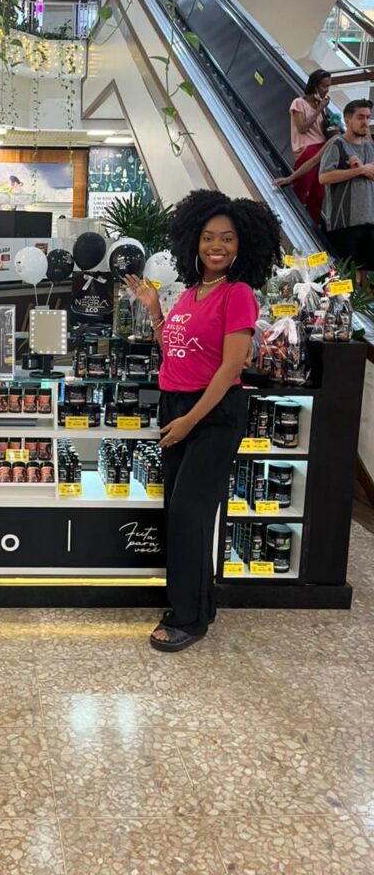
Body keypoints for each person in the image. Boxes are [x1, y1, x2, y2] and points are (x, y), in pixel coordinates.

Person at [125, 190, 281, 652]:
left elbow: (231, 368)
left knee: (189, 515)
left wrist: (191, 421)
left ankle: (188, 619)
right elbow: (175, 351)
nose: (217, 246)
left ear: (242, 244)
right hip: (176, 407)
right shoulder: (192, 293)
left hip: (210, 414)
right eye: (209, 237)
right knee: (180, 512)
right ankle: (201, 603)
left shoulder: (238, 294)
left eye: (227, 238)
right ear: (194, 240)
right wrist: (155, 311)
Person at [318, 98, 374, 276]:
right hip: (343, 222)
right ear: (347, 120)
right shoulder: (338, 145)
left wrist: (362, 169)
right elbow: (324, 177)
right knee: (344, 273)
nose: (365, 122)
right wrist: (360, 170)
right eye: (360, 117)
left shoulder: (369, 147)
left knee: (365, 272)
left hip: (368, 219)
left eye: (368, 117)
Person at [289, 69, 335, 223]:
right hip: (307, 149)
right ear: (314, 85)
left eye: (328, 86)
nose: (326, 90)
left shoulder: (321, 106)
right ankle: (294, 219)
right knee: (302, 187)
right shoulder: (298, 103)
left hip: (323, 147)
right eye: (324, 86)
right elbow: (302, 128)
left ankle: (312, 224)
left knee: (318, 193)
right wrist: (319, 109)